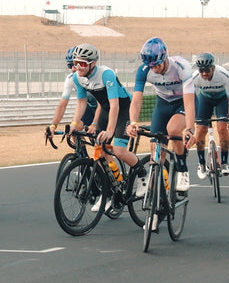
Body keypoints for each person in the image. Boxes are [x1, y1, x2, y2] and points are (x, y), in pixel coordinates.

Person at [125, 37, 197, 191]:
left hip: (182, 102)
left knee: (173, 129)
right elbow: (136, 100)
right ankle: (158, 192)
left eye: (157, 65)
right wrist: (133, 122)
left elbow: (189, 101)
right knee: (155, 147)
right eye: (151, 66)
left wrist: (190, 129)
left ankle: (182, 170)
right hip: (163, 103)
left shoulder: (181, 67)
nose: (155, 69)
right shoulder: (144, 70)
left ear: (165, 58)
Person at [67, 43, 139, 179]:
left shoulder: (106, 74)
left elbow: (115, 105)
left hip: (123, 108)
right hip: (106, 109)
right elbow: (81, 103)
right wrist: (74, 124)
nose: (78, 67)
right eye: (75, 63)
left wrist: (110, 131)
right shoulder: (77, 77)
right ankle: (115, 180)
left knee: (119, 151)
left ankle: (142, 175)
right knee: (99, 148)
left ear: (92, 63)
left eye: (82, 64)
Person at [188, 52, 229, 178]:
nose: (204, 73)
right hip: (205, 99)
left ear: (213, 68)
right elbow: (189, 99)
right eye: (201, 70)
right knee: (200, 130)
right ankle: (201, 164)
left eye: (207, 70)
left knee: (222, 128)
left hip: (222, 99)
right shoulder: (195, 78)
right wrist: (191, 120)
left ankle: (225, 163)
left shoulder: (224, 75)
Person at [48, 46, 98, 139]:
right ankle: (82, 154)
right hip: (90, 107)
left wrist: (95, 124)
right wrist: (53, 125)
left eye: (76, 64)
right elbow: (62, 105)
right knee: (74, 130)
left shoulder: (96, 76)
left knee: (99, 139)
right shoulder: (71, 79)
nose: (74, 69)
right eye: (70, 65)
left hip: (103, 108)